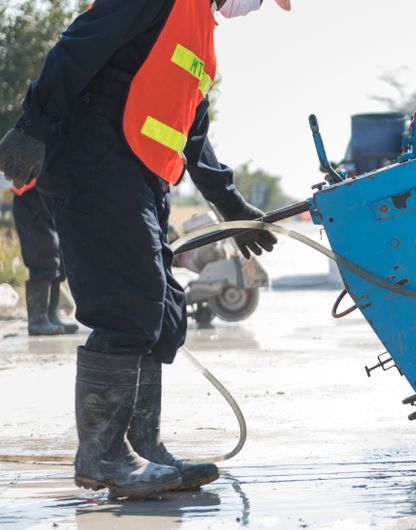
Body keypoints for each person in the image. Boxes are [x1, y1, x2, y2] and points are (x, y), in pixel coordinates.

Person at [0, 0, 292, 497]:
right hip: (97, 161)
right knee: (128, 304)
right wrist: (34, 125)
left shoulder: (200, 36)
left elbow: (192, 133)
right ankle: (103, 455)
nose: (256, 5)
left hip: (141, 177)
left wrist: (233, 207)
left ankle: (141, 449)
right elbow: (78, 45)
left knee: (162, 310)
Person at [10, 179, 79, 335]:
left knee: (59, 259)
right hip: (30, 197)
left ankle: (51, 316)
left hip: (49, 198)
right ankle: (37, 320)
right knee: (43, 255)